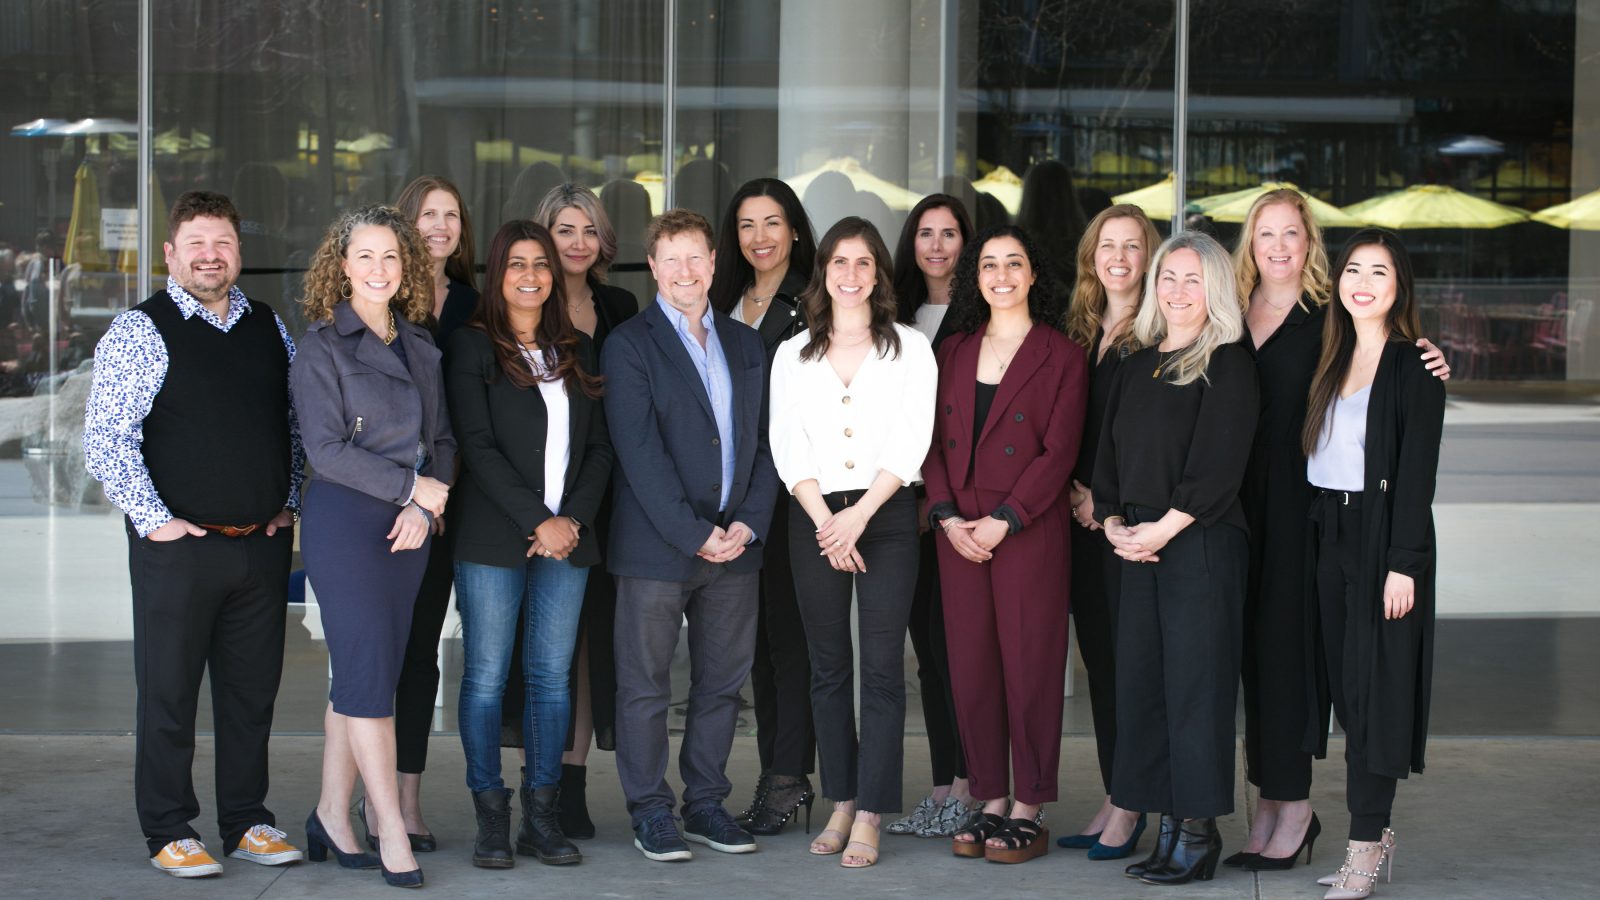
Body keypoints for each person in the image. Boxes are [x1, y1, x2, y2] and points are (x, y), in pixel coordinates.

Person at [83, 190, 306, 879]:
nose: (211, 256)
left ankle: (246, 821)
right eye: (197, 244)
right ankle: (168, 827)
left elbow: (295, 422)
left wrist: (289, 501)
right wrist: (157, 523)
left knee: (251, 696)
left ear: (239, 252)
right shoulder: (139, 330)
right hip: (179, 550)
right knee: (169, 694)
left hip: (260, 544)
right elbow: (107, 439)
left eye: (223, 243)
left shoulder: (268, 324)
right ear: (171, 254)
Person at [1227, 190, 1449, 872]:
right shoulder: (1228, 313)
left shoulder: (1328, 316)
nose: (1278, 245)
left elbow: (1396, 391)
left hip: (1309, 514)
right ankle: (1273, 803)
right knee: (1257, 659)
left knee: (1302, 663)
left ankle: (1303, 812)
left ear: (1310, 242)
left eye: (1291, 232)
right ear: (1250, 242)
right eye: (1265, 233)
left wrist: (1429, 356)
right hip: (1232, 512)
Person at [602, 208, 779, 863]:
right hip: (658, 547)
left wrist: (748, 523)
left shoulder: (745, 343)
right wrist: (695, 532)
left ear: (713, 263)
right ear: (653, 267)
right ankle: (651, 811)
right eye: (671, 259)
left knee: (722, 686)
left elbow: (766, 444)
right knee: (645, 687)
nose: (685, 271)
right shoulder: (629, 344)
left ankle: (705, 803)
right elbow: (639, 452)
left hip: (737, 546)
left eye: (695, 257)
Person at [291, 205, 456, 888]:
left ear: (405, 264)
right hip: (348, 525)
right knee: (367, 681)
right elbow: (325, 449)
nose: (379, 268)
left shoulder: (419, 343)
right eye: (365, 256)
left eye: (391, 255)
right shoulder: (322, 346)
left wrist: (425, 501)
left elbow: (442, 440)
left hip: (409, 527)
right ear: (342, 265)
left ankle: (331, 814)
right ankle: (389, 826)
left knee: (368, 676)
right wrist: (411, 490)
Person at [1092, 230, 1258, 886]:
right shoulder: (1136, 364)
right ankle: (1164, 828)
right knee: (1145, 690)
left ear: (1214, 288)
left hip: (1200, 545)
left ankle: (1197, 833)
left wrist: (1163, 529)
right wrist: (1112, 521)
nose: (1179, 291)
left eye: (1194, 279)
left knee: (1196, 690)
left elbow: (1220, 464)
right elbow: (1108, 456)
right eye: (1169, 277)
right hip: (1136, 546)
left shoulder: (1228, 362)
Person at [770, 217, 937, 869]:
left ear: (878, 274)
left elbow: (912, 438)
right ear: (824, 272)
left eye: (863, 262)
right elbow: (788, 445)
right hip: (814, 517)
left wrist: (859, 516)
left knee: (882, 669)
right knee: (828, 665)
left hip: (885, 515)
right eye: (839, 262)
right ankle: (841, 799)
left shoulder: (910, 348)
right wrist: (826, 522)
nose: (850, 274)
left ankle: (871, 812)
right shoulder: (793, 353)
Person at [445, 220, 612, 869]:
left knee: (551, 679)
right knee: (487, 677)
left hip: (568, 540)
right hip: (494, 537)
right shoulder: (471, 346)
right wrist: (537, 520)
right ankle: (491, 817)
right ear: (497, 272)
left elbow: (599, 449)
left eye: (540, 264)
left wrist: (570, 520)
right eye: (517, 263)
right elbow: (477, 446)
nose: (531, 275)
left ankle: (542, 818)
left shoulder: (578, 349)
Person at [922, 225, 1087, 864]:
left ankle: (1030, 803)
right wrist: (945, 516)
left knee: (1030, 666)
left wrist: (1006, 518)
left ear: (1033, 274)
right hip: (958, 532)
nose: (1001, 275)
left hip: (1027, 527)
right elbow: (928, 441)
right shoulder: (952, 350)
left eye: (1014, 263)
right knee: (972, 668)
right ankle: (991, 794)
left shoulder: (1061, 354)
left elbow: (1059, 453)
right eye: (989, 264)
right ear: (976, 276)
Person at [1301, 229, 1444, 900]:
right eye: (1352, 269)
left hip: (1382, 542)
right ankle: (1368, 839)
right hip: (1325, 534)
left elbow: (1416, 476)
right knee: (1342, 692)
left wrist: (1404, 564)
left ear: (1399, 286)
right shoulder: (1329, 356)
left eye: (1378, 271)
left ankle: (1365, 849)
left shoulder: (1416, 366)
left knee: (1372, 696)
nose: (1362, 282)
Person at [362, 174, 479, 856]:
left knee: (423, 655)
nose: (440, 225)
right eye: (428, 214)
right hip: (385, 502)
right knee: (382, 653)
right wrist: (413, 494)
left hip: (454, 500)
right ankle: (369, 797)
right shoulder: (380, 298)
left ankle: (405, 799)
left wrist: (438, 494)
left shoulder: (472, 303)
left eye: (451, 214)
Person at [708, 177, 820, 835]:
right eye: (747, 224)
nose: (760, 237)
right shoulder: (720, 300)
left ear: (795, 230)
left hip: (790, 497)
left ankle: (788, 778)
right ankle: (777, 772)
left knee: (789, 643)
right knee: (754, 648)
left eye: (773, 222)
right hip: (731, 499)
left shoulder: (812, 304)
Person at [530, 182, 639, 839]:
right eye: (565, 229)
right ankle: (542, 782)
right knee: (549, 647)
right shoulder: (525, 301)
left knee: (595, 643)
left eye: (589, 230)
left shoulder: (620, 306)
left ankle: (572, 783)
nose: (577, 242)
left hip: (611, 494)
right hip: (546, 502)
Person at [1056, 204, 1161, 859]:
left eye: (1132, 245)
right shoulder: (1079, 330)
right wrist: (1074, 492)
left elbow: (1151, 433)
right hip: (1079, 521)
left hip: (1130, 525)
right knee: (1100, 664)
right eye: (1107, 245)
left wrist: (1105, 497)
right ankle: (1116, 792)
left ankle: (1132, 804)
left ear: (1149, 257)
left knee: (1132, 667)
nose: (1118, 257)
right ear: (1091, 256)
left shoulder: (1159, 331)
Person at [886, 193, 978, 840]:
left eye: (950, 233)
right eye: (926, 233)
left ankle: (972, 784)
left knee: (960, 654)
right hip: (901, 508)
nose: (937, 246)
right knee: (927, 656)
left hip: (957, 511)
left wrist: (936, 502)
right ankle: (944, 784)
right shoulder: (893, 314)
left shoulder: (981, 315)